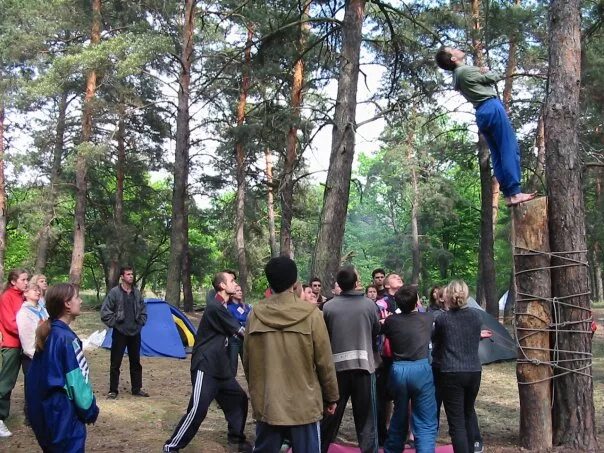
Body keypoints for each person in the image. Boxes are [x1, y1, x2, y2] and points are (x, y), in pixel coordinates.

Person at [243, 256, 339, 452]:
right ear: (295, 282)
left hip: (269, 402)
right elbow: (324, 362)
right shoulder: (312, 314)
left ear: (270, 282)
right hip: (304, 404)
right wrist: (331, 397)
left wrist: (258, 393)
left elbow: (248, 361)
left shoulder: (255, 314)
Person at [435, 47, 536, 208]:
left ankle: (510, 195)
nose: (457, 49)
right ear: (453, 59)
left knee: (497, 154)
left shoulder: (458, 75)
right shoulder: (465, 70)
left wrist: (481, 73)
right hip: (491, 107)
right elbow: (493, 77)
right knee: (509, 149)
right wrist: (487, 70)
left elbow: (482, 78)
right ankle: (515, 193)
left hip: (481, 112)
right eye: (452, 49)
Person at [163, 271, 249, 452]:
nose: (235, 284)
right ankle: (171, 447)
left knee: (239, 399)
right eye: (232, 281)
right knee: (197, 410)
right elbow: (241, 332)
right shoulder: (215, 307)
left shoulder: (223, 306)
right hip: (206, 366)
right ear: (222, 286)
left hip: (221, 367)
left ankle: (236, 439)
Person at [26, 283, 99, 452]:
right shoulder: (67, 339)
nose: (80, 301)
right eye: (77, 298)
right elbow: (78, 382)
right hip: (63, 418)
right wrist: (90, 410)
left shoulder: (49, 334)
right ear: (67, 304)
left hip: (46, 415)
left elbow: (33, 380)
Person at [321, 266, 380, 453]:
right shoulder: (369, 305)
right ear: (356, 283)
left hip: (336, 370)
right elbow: (376, 331)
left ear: (339, 284)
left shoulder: (329, 307)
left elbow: (325, 336)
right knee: (366, 420)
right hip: (364, 368)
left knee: (331, 415)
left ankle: (320, 447)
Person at [382, 286, 437, 453]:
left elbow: (382, 330)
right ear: (417, 301)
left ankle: (392, 449)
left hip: (399, 369)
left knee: (399, 414)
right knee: (425, 418)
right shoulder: (427, 318)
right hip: (421, 368)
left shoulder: (391, 321)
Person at [432, 280, 483, 453]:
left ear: (447, 296)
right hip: (474, 370)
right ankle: (473, 447)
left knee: (457, 422)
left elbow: (436, 344)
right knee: (468, 412)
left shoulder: (442, 319)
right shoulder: (477, 316)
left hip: (451, 371)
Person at [100, 266, 149, 399]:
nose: (131, 276)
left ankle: (136, 388)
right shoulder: (114, 293)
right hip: (120, 332)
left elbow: (143, 310)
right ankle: (113, 390)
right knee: (115, 362)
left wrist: (141, 322)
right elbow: (105, 312)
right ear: (122, 277)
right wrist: (115, 323)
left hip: (135, 332)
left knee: (136, 362)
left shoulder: (137, 293)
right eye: (128, 274)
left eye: (132, 274)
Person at [0, 268, 28, 437]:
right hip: (12, 345)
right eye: (23, 279)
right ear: (13, 282)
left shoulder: (24, 296)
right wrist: (31, 331)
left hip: (27, 345)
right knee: (6, 382)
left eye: (27, 279)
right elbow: (10, 323)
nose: (26, 282)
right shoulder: (6, 297)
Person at [16, 282, 49, 425]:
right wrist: (33, 353)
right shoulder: (24, 313)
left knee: (44, 384)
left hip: (44, 352)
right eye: (34, 290)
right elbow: (26, 336)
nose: (37, 292)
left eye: (38, 290)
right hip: (32, 355)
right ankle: (30, 416)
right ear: (25, 293)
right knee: (32, 386)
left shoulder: (42, 309)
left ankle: (42, 413)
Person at [227, 284, 251, 375]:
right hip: (234, 339)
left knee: (248, 364)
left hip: (245, 339)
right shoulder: (229, 307)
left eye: (241, 290)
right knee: (232, 366)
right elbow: (232, 323)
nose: (240, 292)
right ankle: (230, 387)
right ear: (232, 294)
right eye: (237, 291)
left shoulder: (245, 306)